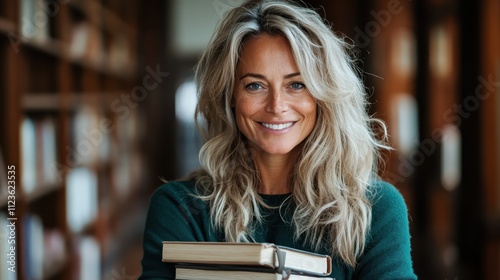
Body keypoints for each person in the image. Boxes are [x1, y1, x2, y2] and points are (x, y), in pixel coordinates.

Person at [139, 0, 417, 279]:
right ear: (230, 97)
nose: (277, 105)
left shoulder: (376, 210)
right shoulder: (180, 209)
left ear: (323, 96)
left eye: (296, 84)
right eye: (255, 85)